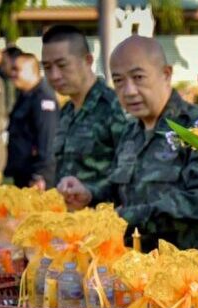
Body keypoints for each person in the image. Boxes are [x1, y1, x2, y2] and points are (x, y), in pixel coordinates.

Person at [58, 36, 198, 252]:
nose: (129, 91)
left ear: (166, 74)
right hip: (133, 263)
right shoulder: (131, 131)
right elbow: (120, 189)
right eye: (118, 81)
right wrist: (89, 194)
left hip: (186, 268)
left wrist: (126, 217)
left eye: (138, 77)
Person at [43, 25, 127, 203]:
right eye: (47, 67)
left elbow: (132, 174)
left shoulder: (115, 107)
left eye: (62, 65)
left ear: (88, 60)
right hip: (68, 218)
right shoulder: (66, 112)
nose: (54, 75)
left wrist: (91, 192)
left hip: (106, 216)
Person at [3, 53, 58, 189]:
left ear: (32, 71)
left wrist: (40, 175)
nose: (12, 73)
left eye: (17, 70)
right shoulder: (25, 95)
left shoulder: (43, 99)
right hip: (22, 173)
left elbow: (48, 140)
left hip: (36, 177)